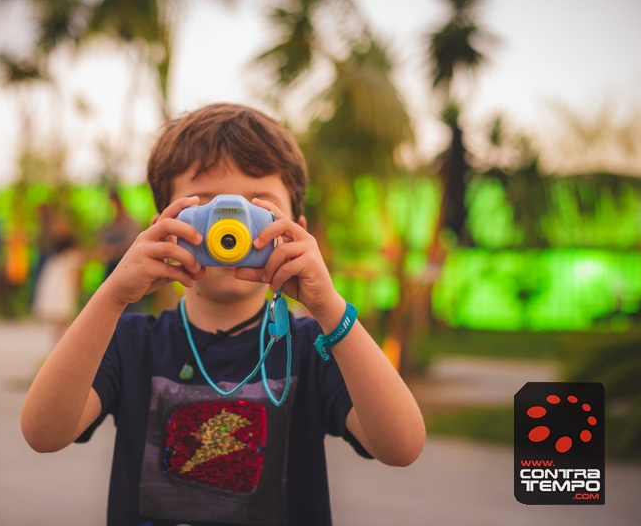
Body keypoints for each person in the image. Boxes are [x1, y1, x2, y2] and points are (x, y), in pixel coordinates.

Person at [21, 103, 426, 526]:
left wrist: (328, 307)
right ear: (163, 226)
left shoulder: (313, 346)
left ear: (299, 229)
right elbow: (43, 434)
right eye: (209, 204)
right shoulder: (130, 340)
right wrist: (112, 297)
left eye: (259, 206)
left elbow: (402, 447)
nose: (230, 223)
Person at [31, 212, 87, 345]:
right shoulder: (54, 244)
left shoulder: (70, 243)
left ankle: (62, 346)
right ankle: (58, 346)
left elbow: (76, 262)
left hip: (64, 282)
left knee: (63, 315)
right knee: (59, 316)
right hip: (58, 281)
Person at [98, 189, 140, 280]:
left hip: (126, 263)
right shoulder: (109, 224)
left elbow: (132, 243)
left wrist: (114, 250)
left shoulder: (129, 223)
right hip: (111, 265)